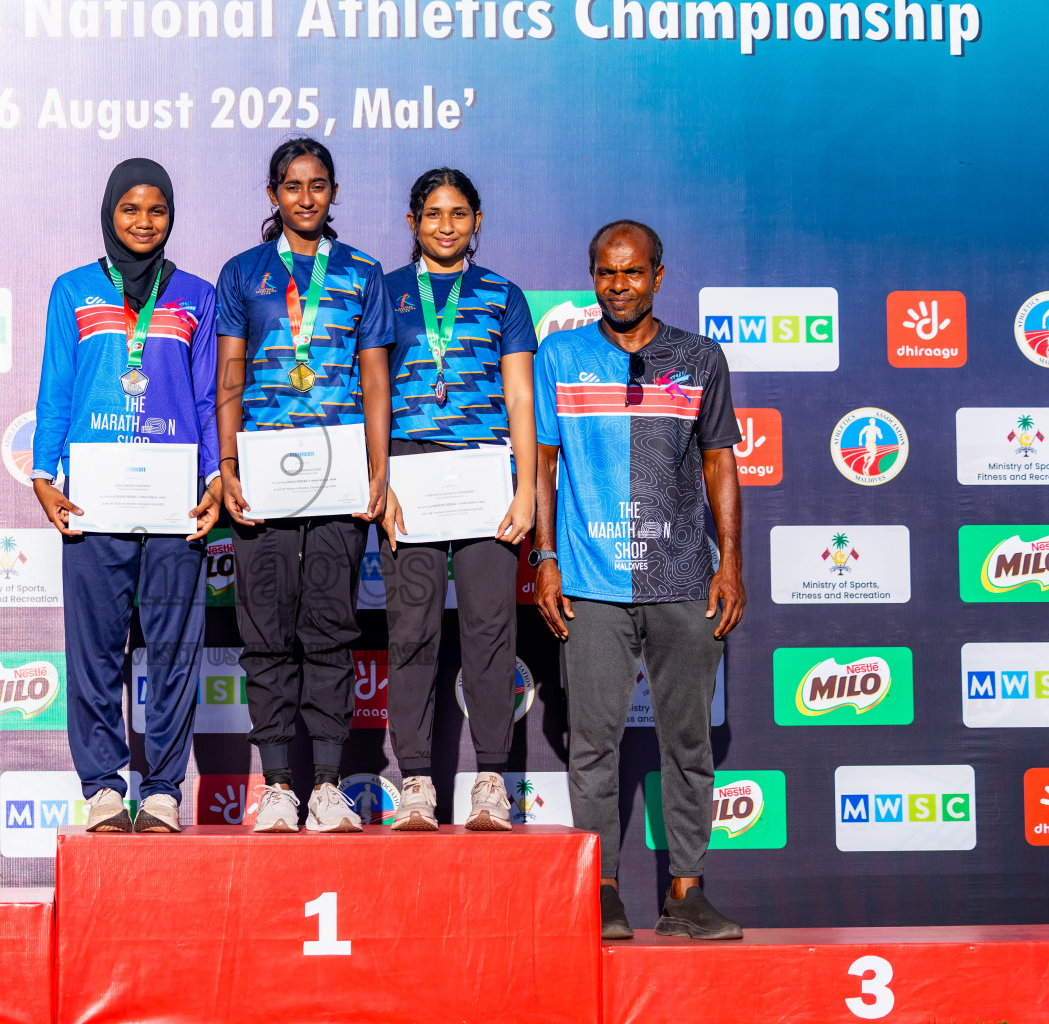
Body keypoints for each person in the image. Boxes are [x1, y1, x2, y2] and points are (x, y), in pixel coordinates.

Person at [534, 220, 746, 940]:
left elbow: (721, 462)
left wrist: (732, 564)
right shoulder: (560, 354)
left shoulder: (699, 357)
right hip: (591, 580)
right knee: (591, 744)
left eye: (632, 272)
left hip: (685, 577)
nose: (618, 285)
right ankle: (600, 892)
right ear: (591, 276)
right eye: (605, 272)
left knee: (689, 741)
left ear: (659, 274)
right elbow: (542, 466)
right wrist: (544, 557)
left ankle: (687, 895)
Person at [31, 158, 222, 834]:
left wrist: (214, 479)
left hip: (174, 504)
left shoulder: (196, 295)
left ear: (171, 217)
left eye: (157, 210)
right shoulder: (74, 290)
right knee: (94, 652)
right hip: (95, 501)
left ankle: (165, 789)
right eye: (130, 209)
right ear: (110, 212)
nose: (144, 222)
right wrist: (43, 475)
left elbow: (205, 399)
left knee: (173, 649)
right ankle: (105, 790)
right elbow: (57, 387)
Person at [215, 137, 393, 833]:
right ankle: (279, 787)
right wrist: (227, 468)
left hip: (340, 470)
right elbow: (230, 375)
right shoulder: (242, 273)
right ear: (273, 195)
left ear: (334, 193)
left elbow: (375, 377)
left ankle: (325, 784)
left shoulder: (361, 272)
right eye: (293, 186)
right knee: (264, 632)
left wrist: (378, 469)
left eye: (319, 185)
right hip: (263, 473)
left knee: (328, 627)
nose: (306, 197)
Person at [376, 168, 537, 831]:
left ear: (478, 221)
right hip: (408, 469)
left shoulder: (503, 294)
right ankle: (415, 781)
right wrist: (378, 480)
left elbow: (522, 395)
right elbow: (371, 394)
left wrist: (526, 488)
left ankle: (491, 780)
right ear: (412, 222)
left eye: (459, 213)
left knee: (490, 631)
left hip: (484, 468)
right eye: (433, 213)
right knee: (412, 630)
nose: (446, 224)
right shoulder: (383, 292)